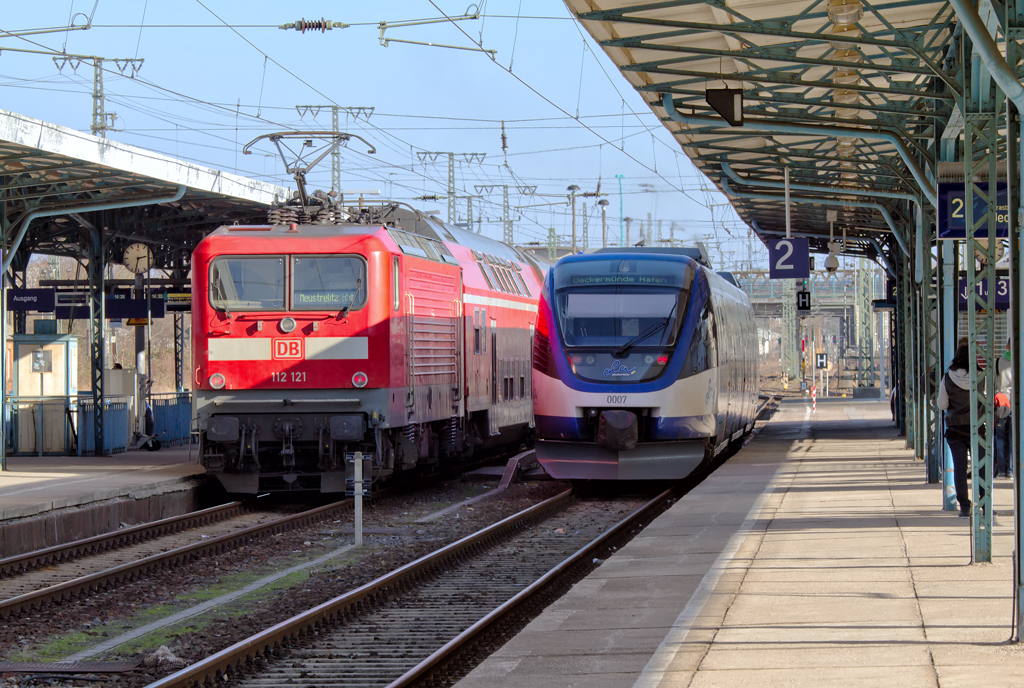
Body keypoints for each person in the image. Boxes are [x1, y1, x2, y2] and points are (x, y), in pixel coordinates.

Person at [937, 343, 987, 518]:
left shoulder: (947, 378)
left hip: (955, 429)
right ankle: (985, 505)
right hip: (977, 428)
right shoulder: (981, 376)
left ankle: (965, 507)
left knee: (959, 468)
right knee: (980, 467)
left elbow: (942, 405)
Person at [995, 338, 1013, 479]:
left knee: (1000, 437)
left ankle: (1001, 470)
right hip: (1015, 404)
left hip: (1001, 404)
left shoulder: (997, 362)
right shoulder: (1020, 361)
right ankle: (1011, 470)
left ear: (1006, 346)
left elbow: (994, 386)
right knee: (1014, 438)